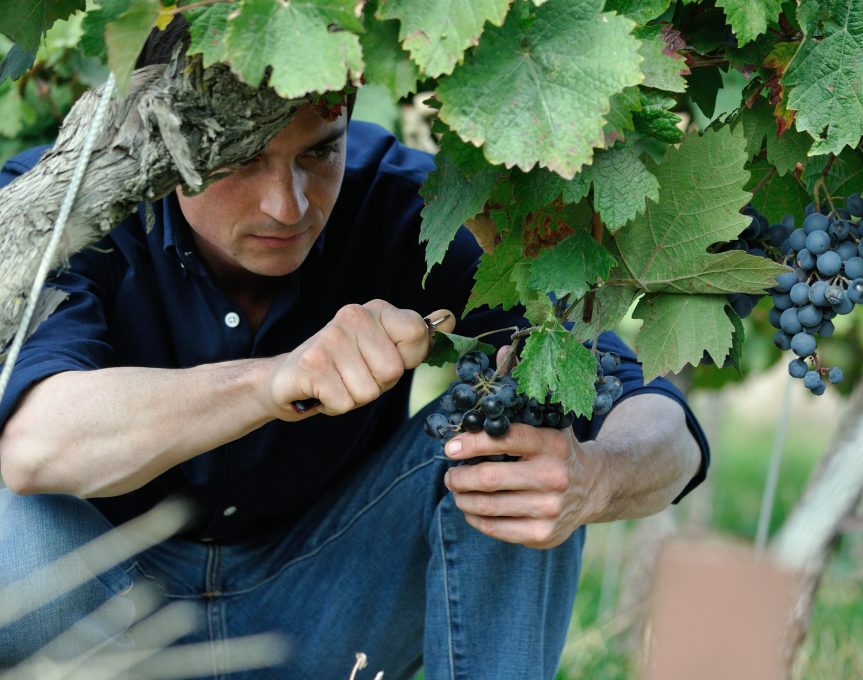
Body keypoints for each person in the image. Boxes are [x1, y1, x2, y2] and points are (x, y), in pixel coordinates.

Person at [0, 19, 709, 679]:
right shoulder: (60, 210)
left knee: (519, 436)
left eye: (319, 151)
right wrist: (271, 381)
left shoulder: (415, 206)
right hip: (106, 622)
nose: (287, 206)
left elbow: (653, 417)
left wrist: (593, 478)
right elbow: (33, 447)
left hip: (328, 611)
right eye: (240, 159)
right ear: (167, 136)